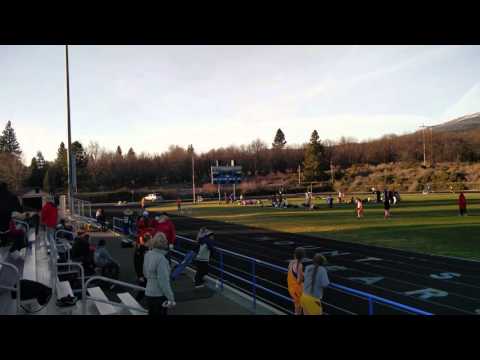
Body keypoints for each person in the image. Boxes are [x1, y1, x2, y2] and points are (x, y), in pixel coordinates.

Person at [143, 232, 176, 315]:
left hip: (148, 293)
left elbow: (145, 274)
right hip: (159, 296)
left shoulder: (147, 255)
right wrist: (171, 298)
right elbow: (164, 282)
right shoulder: (162, 259)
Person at [287, 247, 305, 315]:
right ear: (303, 256)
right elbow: (299, 280)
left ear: (294, 254)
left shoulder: (291, 262)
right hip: (297, 290)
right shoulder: (300, 265)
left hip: (291, 287)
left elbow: (291, 272)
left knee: (297, 308)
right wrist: (303, 276)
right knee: (299, 309)